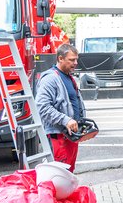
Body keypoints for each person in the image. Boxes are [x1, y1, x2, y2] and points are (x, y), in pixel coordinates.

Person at [35, 43, 86, 172]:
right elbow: (42, 106)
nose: (75, 63)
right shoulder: (50, 79)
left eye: (76, 60)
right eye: (71, 60)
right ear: (60, 58)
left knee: (68, 174)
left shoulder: (68, 77)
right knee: (58, 174)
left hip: (70, 135)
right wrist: (66, 120)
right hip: (58, 136)